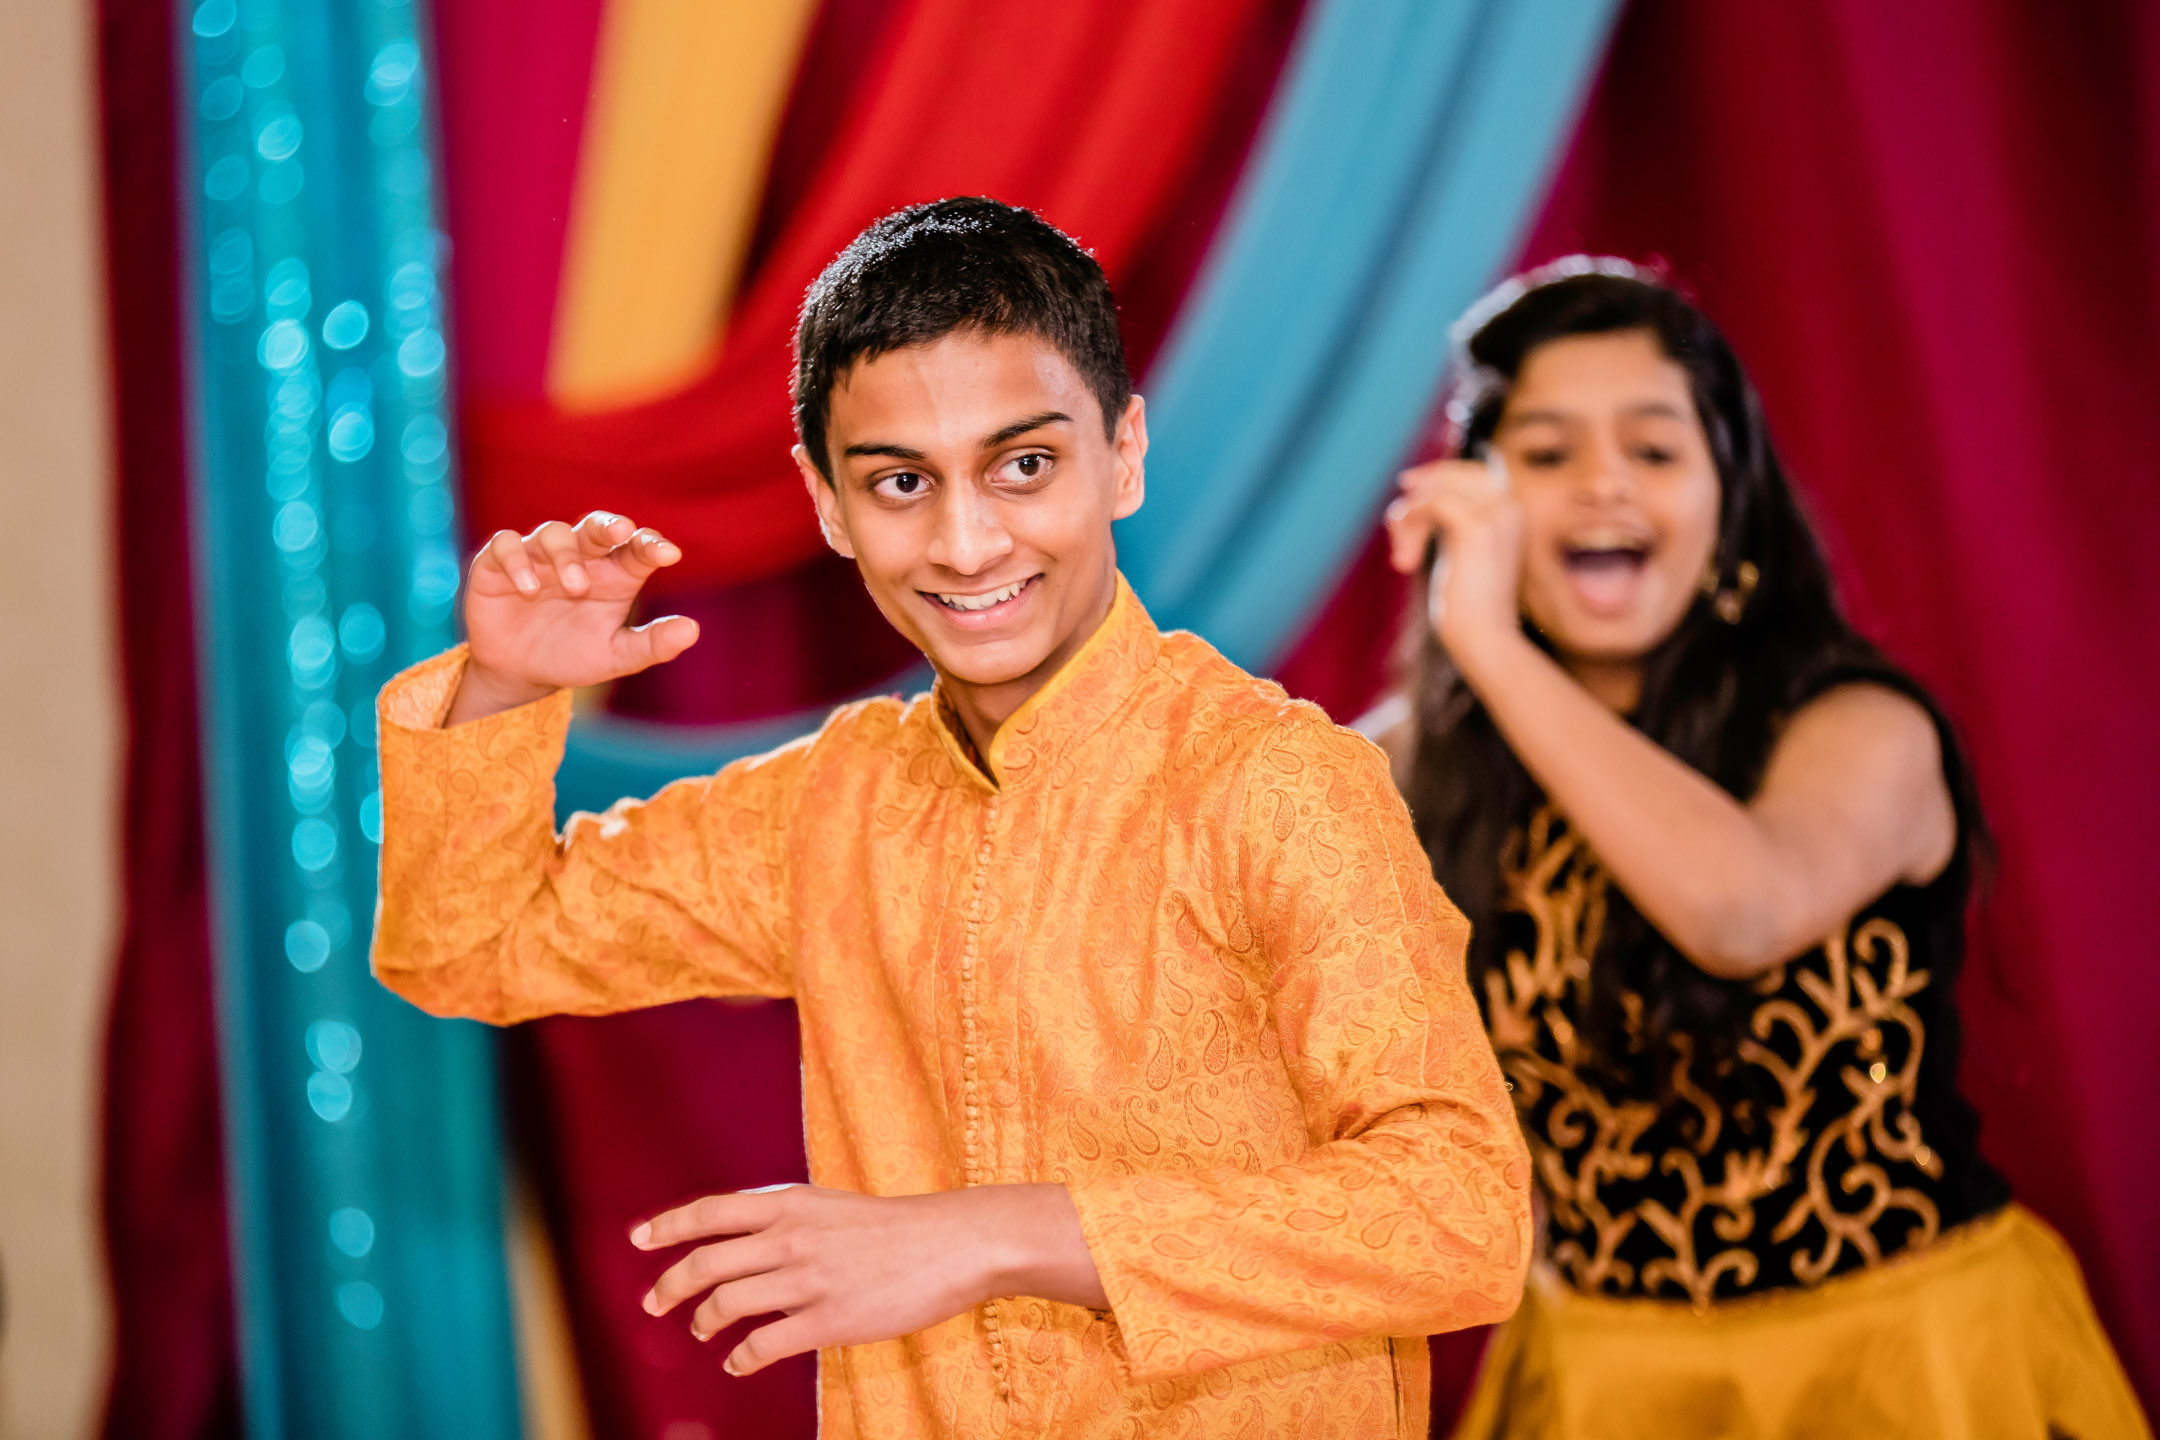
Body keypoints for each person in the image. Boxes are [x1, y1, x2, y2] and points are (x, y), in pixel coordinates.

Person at [372, 197, 1531, 1439]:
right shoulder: (832, 802)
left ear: (1124, 454)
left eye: (1022, 464)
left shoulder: (1275, 785)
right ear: (826, 503)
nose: (967, 542)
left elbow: (1461, 1214)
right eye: (900, 483)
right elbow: (467, 944)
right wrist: (507, 690)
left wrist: (990, 1239)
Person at [1376, 258, 2150, 1439]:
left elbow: (1741, 912)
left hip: (1903, 1371)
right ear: (1473, 500)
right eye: (1545, 454)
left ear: (1730, 497)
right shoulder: (1413, 774)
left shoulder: (1858, 731)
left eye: (1652, 448)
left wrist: (1488, 646)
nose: (1602, 488)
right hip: (1604, 1384)